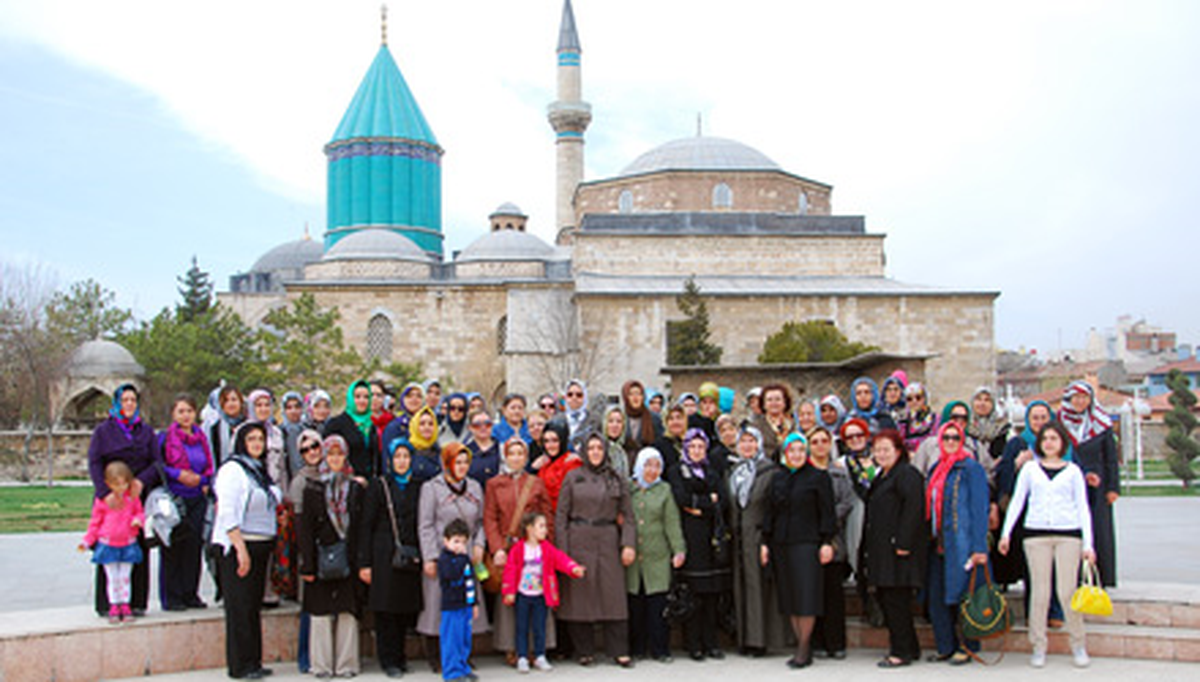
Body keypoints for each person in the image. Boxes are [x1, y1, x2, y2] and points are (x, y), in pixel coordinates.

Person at [999, 421, 1095, 668]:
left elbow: (1082, 506)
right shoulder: (1030, 469)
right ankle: (1038, 645)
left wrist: (1089, 544)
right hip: (1036, 535)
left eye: (1054, 438)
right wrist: (1006, 533)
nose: (1049, 443)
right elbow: (1018, 501)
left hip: (1068, 534)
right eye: (1045, 439)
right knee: (1039, 593)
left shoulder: (1073, 471)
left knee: (1066, 592)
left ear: (1062, 442)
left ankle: (1078, 644)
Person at [555, 431, 637, 667]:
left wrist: (628, 543)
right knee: (580, 595)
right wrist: (563, 551)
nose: (595, 453)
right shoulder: (573, 477)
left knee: (613, 595)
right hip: (578, 538)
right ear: (584, 452)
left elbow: (628, 516)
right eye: (591, 448)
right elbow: (561, 516)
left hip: (608, 538)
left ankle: (619, 650)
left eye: (599, 448)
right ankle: (585, 650)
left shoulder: (616, 477)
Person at [760, 432, 836, 669]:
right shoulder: (778, 478)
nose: (796, 455)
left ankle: (804, 648)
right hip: (781, 543)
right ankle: (801, 646)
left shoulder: (819, 477)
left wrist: (827, 541)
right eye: (791, 450)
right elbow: (770, 512)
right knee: (790, 597)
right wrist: (765, 542)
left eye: (800, 450)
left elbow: (828, 512)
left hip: (807, 543)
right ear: (785, 454)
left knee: (806, 597)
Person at [213, 421, 281, 680]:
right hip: (239, 546)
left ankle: (254, 661)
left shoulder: (258, 470)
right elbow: (227, 511)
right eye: (251, 439)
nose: (256, 444)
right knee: (239, 608)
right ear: (241, 442)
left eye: (260, 439)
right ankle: (240, 666)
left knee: (252, 607)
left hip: (261, 545)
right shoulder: (232, 469)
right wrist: (239, 547)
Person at [87, 383, 158, 618]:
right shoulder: (103, 431)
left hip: (135, 496)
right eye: (125, 400)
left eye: (133, 400)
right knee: (108, 549)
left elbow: (156, 462)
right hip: (111, 497)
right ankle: (108, 603)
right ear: (117, 403)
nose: (129, 404)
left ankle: (136, 602)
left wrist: (141, 481)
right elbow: (94, 462)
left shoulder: (145, 431)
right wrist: (104, 492)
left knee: (136, 549)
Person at [418, 443, 489, 673]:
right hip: (443, 554)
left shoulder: (475, 487)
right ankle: (437, 655)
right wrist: (430, 556)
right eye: (457, 462)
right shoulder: (432, 488)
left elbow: (481, 522)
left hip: (466, 555)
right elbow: (426, 524)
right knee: (438, 606)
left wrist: (479, 544)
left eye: (465, 462)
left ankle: (462, 656)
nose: (462, 467)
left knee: (465, 607)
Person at [298, 435, 364, 679]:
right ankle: (322, 665)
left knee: (347, 611)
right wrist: (307, 565)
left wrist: (362, 560)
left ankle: (346, 664)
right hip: (320, 556)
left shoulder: (355, 488)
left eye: (340, 454)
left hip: (348, 556)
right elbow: (305, 529)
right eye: (331, 454)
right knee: (320, 612)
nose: (335, 459)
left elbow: (361, 526)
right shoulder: (313, 488)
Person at [359, 437, 425, 679]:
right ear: (389, 459)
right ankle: (388, 659)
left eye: (406, 456)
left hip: (409, 552)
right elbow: (367, 525)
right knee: (386, 610)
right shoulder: (379, 485)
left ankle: (400, 656)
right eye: (397, 456)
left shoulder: (418, 485)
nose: (402, 461)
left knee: (403, 608)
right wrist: (365, 562)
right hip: (383, 553)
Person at [924, 422, 989, 665]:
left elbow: (979, 508)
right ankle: (945, 646)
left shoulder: (971, 468)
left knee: (964, 595)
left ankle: (968, 646)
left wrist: (979, 546)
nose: (950, 442)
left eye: (955, 437)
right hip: (938, 542)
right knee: (937, 597)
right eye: (946, 437)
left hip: (963, 542)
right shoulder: (936, 468)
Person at [485, 438, 554, 665]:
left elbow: (546, 515)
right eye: (511, 453)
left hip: (533, 548)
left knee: (536, 598)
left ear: (526, 457)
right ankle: (510, 647)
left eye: (520, 453)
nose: (516, 458)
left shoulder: (536, 483)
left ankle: (536, 648)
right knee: (509, 599)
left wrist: (546, 543)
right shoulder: (494, 484)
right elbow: (490, 518)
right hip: (508, 548)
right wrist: (497, 548)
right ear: (505, 456)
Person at [862, 429, 925, 668]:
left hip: (898, 551)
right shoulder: (882, 476)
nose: (881, 454)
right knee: (889, 599)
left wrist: (903, 542)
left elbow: (914, 509)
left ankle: (901, 652)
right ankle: (910, 646)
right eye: (877, 450)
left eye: (886, 449)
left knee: (896, 601)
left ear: (898, 451)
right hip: (882, 550)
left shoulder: (907, 474)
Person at [667, 428, 730, 661]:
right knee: (693, 592)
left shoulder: (711, 471)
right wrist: (708, 501)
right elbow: (681, 498)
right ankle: (693, 644)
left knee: (711, 594)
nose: (696, 451)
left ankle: (711, 642)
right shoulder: (676, 471)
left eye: (700, 447)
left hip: (711, 537)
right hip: (690, 536)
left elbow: (723, 500)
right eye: (692, 446)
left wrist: (700, 506)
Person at [727, 426, 788, 657]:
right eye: (743, 441)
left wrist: (766, 539)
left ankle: (759, 640)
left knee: (758, 588)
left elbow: (774, 508)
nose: (747, 446)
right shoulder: (733, 471)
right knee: (740, 587)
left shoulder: (769, 472)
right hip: (738, 537)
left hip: (758, 535)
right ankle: (743, 638)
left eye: (752, 441)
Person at [502, 512, 586, 673]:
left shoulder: (546, 548)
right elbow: (510, 570)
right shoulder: (518, 549)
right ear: (529, 528)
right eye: (541, 526)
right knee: (521, 627)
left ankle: (540, 655)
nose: (545, 530)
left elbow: (560, 559)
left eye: (545, 526)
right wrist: (509, 591)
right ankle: (522, 657)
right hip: (522, 595)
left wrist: (573, 568)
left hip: (541, 595)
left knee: (540, 627)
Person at [626, 447, 686, 663]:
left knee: (657, 606)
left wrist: (678, 549)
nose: (652, 470)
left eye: (657, 466)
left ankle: (660, 649)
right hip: (633, 557)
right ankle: (637, 648)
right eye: (648, 465)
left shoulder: (664, 490)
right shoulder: (629, 489)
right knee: (636, 605)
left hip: (657, 555)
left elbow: (671, 522)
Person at [1058, 380, 1120, 587]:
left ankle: (1100, 578)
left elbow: (1111, 458)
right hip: (1067, 481)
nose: (1080, 401)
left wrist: (1112, 488)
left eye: (1084, 397)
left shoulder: (1101, 424)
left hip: (1097, 485)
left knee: (1098, 528)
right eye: (1076, 397)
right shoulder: (1059, 422)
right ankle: (1073, 577)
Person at [158, 393, 214, 611]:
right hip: (175, 497)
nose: (185, 415)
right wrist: (178, 474)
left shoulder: (201, 437)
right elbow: (159, 466)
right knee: (173, 548)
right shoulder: (165, 438)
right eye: (181, 411)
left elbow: (209, 466)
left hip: (197, 497)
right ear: (173, 414)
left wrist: (203, 480)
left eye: (189, 411)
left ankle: (190, 593)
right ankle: (172, 597)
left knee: (193, 547)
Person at [807, 426, 854, 659]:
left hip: (834, 537)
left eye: (823, 441)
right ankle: (816, 641)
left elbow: (846, 503)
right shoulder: (803, 473)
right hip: (809, 538)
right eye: (814, 442)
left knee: (833, 593)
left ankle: (836, 643)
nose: (819, 446)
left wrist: (825, 519)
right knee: (813, 592)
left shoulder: (839, 473)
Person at [80, 461, 146, 624]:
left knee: (125, 577)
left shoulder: (132, 498)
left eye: (124, 484)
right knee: (113, 578)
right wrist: (87, 541)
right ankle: (114, 604)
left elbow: (140, 512)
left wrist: (138, 520)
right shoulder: (103, 501)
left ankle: (125, 604)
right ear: (108, 484)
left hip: (128, 543)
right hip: (108, 544)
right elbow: (95, 523)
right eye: (117, 484)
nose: (121, 488)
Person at [288, 429, 325, 675]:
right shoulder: (299, 481)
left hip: (332, 549)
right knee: (309, 606)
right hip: (310, 551)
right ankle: (305, 656)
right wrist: (306, 559)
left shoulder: (333, 473)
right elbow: (300, 525)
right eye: (305, 449)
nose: (312, 452)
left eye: (315, 446)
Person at [438, 518, 480, 682]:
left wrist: (474, 603)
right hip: (452, 606)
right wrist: (462, 559)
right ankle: (451, 671)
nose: (460, 546)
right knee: (452, 640)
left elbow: (471, 581)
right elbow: (452, 574)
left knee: (464, 639)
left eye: (463, 542)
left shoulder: (465, 559)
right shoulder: (445, 559)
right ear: (446, 541)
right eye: (456, 541)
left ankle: (463, 667)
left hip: (465, 605)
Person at [324, 380, 379, 480]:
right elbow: (327, 456)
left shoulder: (371, 425)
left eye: (366, 397)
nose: (362, 401)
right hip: (344, 481)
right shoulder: (336, 424)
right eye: (357, 397)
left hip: (368, 482)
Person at [249, 388, 290, 494]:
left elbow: (282, 468)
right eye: (259, 405)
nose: (263, 409)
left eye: (267, 405)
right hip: (252, 490)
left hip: (274, 488)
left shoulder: (276, 432)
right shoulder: (243, 431)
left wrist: (284, 493)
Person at [536, 418, 581, 512]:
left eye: (555, 440)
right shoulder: (544, 463)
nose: (550, 445)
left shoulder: (572, 463)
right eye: (546, 441)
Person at [968, 386, 1011, 481]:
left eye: (987, 400)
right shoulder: (966, 428)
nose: (982, 404)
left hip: (997, 474)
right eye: (978, 399)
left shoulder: (1002, 428)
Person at [751, 384, 794, 460]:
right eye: (769, 400)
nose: (774, 403)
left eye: (778, 399)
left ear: (785, 403)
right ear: (764, 404)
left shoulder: (793, 424)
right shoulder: (756, 426)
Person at [209, 385, 246, 466]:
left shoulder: (248, 425)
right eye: (226, 401)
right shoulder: (215, 428)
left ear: (240, 401)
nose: (230, 404)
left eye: (234, 399)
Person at [622, 380, 662, 452]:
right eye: (631, 394)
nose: (635, 397)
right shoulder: (620, 417)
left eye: (638, 394)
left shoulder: (654, 418)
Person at [465, 409, 502, 486]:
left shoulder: (502, 449)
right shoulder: (465, 451)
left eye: (487, 424)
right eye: (477, 425)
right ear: (470, 427)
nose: (483, 427)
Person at [899, 383, 938, 455]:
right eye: (909, 399)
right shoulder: (903, 421)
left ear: (924, 398)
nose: (914, 401)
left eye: (918, 397)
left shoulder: (935, 418)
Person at [410, 406, 445, 485]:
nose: (427, 427)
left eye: (431, 424)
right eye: (422, 424)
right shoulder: (408, 451)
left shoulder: (440, 452)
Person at [601, 405, 633, 480]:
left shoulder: (629, 449)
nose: (615, 425)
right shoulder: (598, 447)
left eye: (619, 421)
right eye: (610, 421)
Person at [653, 405, 688, 471]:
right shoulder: (659, 445)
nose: (675, 422)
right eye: (671, 419)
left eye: (679, 417)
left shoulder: (691, 442)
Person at [282, 391, 307, 477]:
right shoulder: (279, 433)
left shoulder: (308, 430)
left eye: (297, 407)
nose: (293, 411)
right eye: (289, 408)